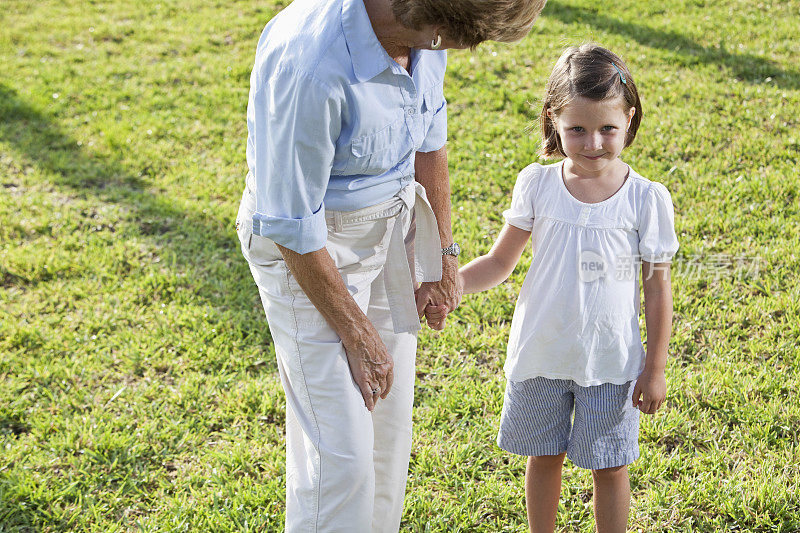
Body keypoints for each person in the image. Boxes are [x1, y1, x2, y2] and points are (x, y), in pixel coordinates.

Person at [235, 0, 548, 530]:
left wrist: (443, 256)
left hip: (391, 231)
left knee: (385, 435)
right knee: (341, 459)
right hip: (310, 255)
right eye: (457, 40)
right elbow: (291, 222)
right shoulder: (309, 62)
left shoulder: (424, 42)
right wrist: (355, 335)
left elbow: (430, 143)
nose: (460, 53)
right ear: (431, 20)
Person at [447, 44, 679, 532]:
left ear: (629, 120)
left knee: (611, 465)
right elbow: (499, 261)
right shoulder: (537, 184)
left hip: (611, 362)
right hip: (541, 354)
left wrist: (654, 369)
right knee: (543, 456)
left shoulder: (646, 198)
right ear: (554, 121)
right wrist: (453, 286)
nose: (593, 142)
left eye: (607, 129)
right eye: (576, 129)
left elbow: (657, 290)